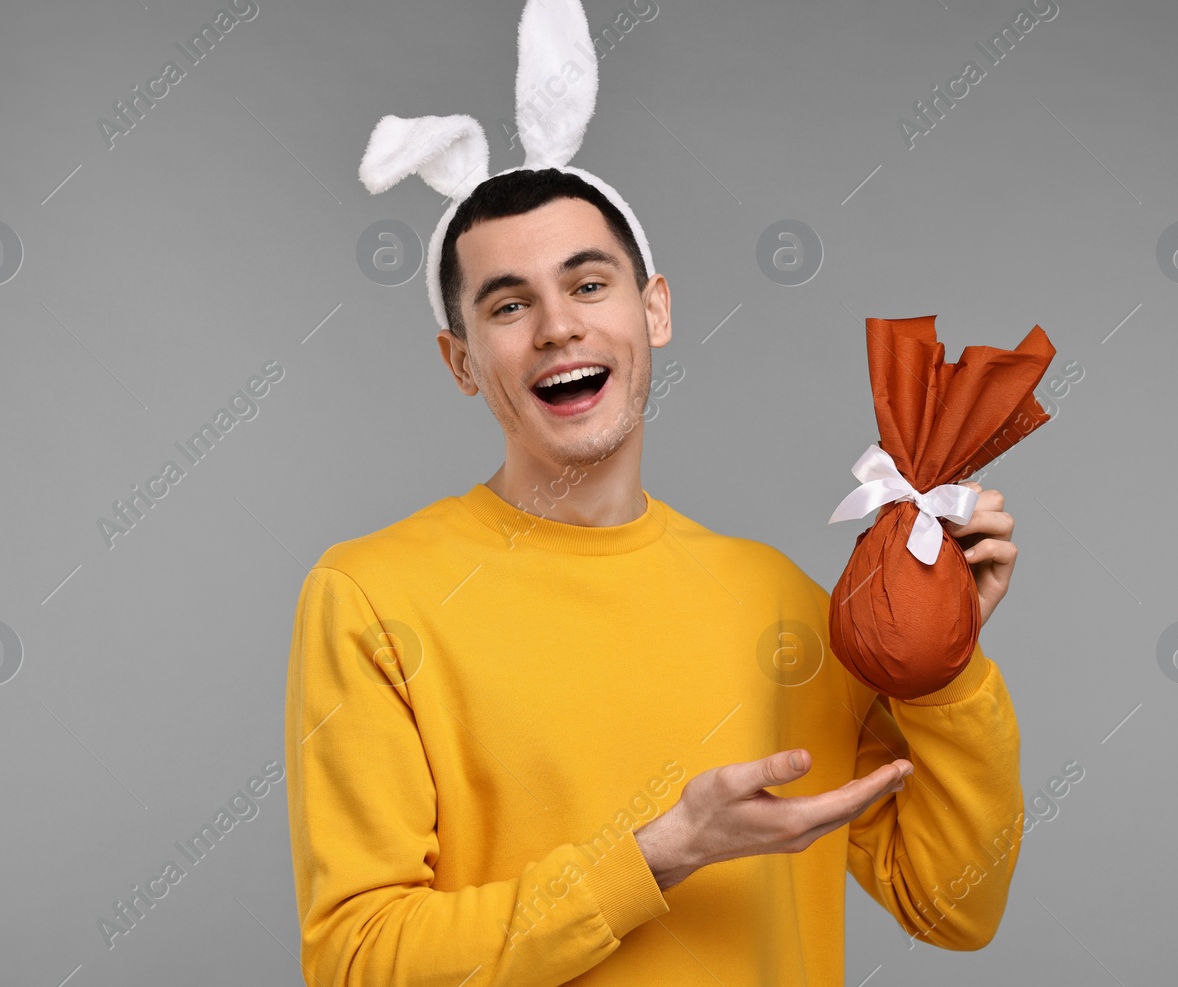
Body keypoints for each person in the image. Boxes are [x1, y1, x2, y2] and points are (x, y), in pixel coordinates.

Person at [283, 166, 1026, 985]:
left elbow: (953, 907)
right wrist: (654, 859)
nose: (558, 327)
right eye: (509, 305)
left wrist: (942, 671)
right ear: (461, 362)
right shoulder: (373, 596)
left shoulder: (783, 602)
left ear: (656, 309)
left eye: (589, 284)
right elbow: (358, 962)